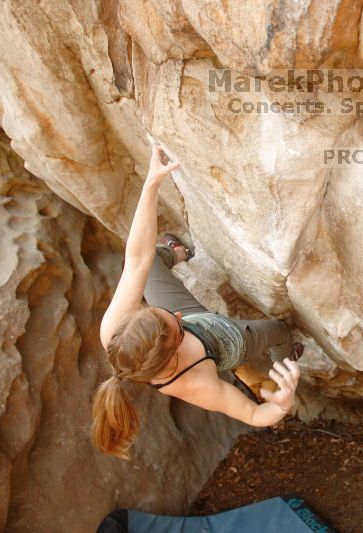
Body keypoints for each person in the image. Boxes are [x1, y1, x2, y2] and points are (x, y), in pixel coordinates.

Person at [91, 145, 302, 459]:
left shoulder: (114, 331)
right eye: (173, 321)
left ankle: (173, 252)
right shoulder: (191, 381)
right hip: (228, 340)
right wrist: (282, 404)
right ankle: (288, 358)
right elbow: (255, 416)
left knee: (144, 269)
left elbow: (136, 258)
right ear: (175, 348)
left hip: (192, 327)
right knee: (279, 330)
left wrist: (151, 184)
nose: (175, 313)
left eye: (156, 312)